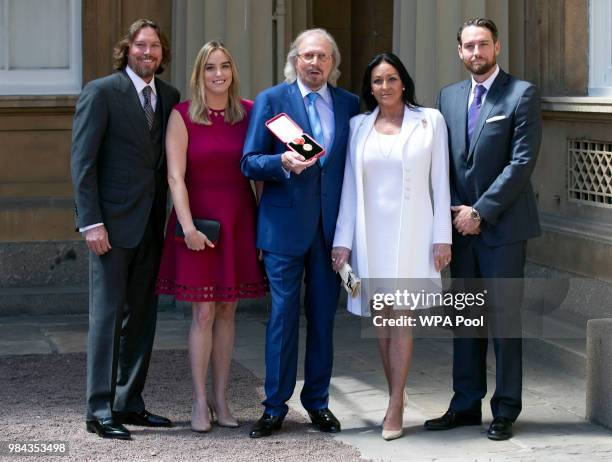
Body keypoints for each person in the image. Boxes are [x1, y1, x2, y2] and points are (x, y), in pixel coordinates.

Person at [423, 18, 542, 441]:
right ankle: (465, 403)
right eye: (469, 46)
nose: (476, 53)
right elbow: (445, 160)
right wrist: (455, 213)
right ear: (459, 51)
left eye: (483, 45)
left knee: (504, 320)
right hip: (460, 227)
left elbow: (521, 163)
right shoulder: (448, 97)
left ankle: (506, 408)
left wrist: (481, 211)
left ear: (497, 47)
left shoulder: (521, 94)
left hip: (503, 227)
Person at [241, 28, 360, 438]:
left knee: (324, 320)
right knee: (283, 318)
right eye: (307, 55)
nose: (314, 63)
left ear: (333, 63)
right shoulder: (273, 100)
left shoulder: (350, 105)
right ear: (295, 59)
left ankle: (318, 403)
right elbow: (249, 162)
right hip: (283, 228)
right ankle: (274, 406)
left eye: (322, 57)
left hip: (330, 232)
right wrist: (282, 163)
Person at [332, 52, 452, 440]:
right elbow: (350, 187)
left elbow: (441, 182)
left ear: (404, 82)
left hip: (414, 232)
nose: (385, 87)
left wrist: (442, 236)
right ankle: (393, 395)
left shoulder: (429, 120)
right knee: (382, 320)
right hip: (370, 235)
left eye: (392, 79)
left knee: (401, 318)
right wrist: (343, 242)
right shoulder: (357, 125)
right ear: (370, 87)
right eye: (378, 81)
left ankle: (395, 404)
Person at [71, 19, 180, 440]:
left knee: (143, 319)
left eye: (154, 46)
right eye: (140, 44)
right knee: (106, 318)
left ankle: (129, 402)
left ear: (162, 53)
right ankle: (98, 411)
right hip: (110, 228)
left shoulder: (168, 97)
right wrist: (90, 221)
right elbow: (82, 164)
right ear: (127, 49)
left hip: (152, 225)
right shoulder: (101, 92)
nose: (147, 52)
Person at [156, 41, 267, 433]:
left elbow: (258, 175)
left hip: (239, 223)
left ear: (233, 71)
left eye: (225, 66)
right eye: (210, 67)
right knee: (202, 311)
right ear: (198, 73)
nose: (218, 74)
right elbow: (174, 177)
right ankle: (199, 399)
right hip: (197, 225)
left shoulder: (251, 113)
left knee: (227, 310)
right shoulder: (182, 116)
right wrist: (187, 228)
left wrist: (262, 230)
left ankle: (222, 397)